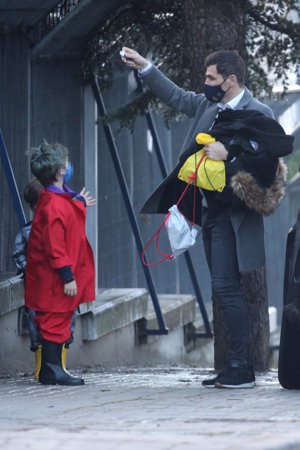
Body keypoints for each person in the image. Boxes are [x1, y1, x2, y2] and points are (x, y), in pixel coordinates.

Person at [121, 47, 293, 389]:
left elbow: (266, 167)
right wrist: (146, 67)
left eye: (211, 78)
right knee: (222, 288)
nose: (206, 84)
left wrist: (229, 154)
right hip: (210, 212)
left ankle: (241, 369)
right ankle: (233, 365)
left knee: (227, 288)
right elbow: (176, 96)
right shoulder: (208, 105)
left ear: (230, 80)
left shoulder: (257, 112)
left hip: (236, 215)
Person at [25, 141, 96, 386]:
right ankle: (52, 370)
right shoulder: (54, 204)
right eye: (65, 163)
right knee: (54, 320)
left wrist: (79, 201)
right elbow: (55, 244)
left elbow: (67, 213)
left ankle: (52, 369)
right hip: (56, 277)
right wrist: (67, 276)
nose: (68, 166)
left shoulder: (53, 197)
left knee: (57, 319)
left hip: (53, 275)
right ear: (58, 171)